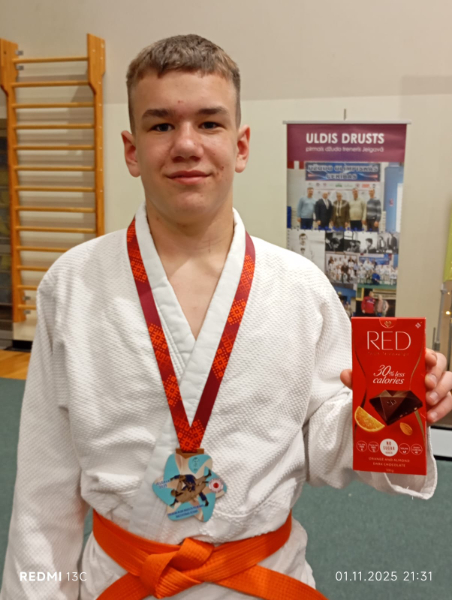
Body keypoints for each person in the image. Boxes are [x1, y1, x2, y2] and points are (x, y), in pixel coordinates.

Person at [2, 34, 451, 600]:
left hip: (262, 580)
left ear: (240, 146)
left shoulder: (301, 288)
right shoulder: (72, 284)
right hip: (121, 580)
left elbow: (326, 444)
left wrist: (395, 406)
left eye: (209, 123)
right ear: (132, 150)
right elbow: (44, 490)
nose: (186, 144)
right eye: (161, 125)